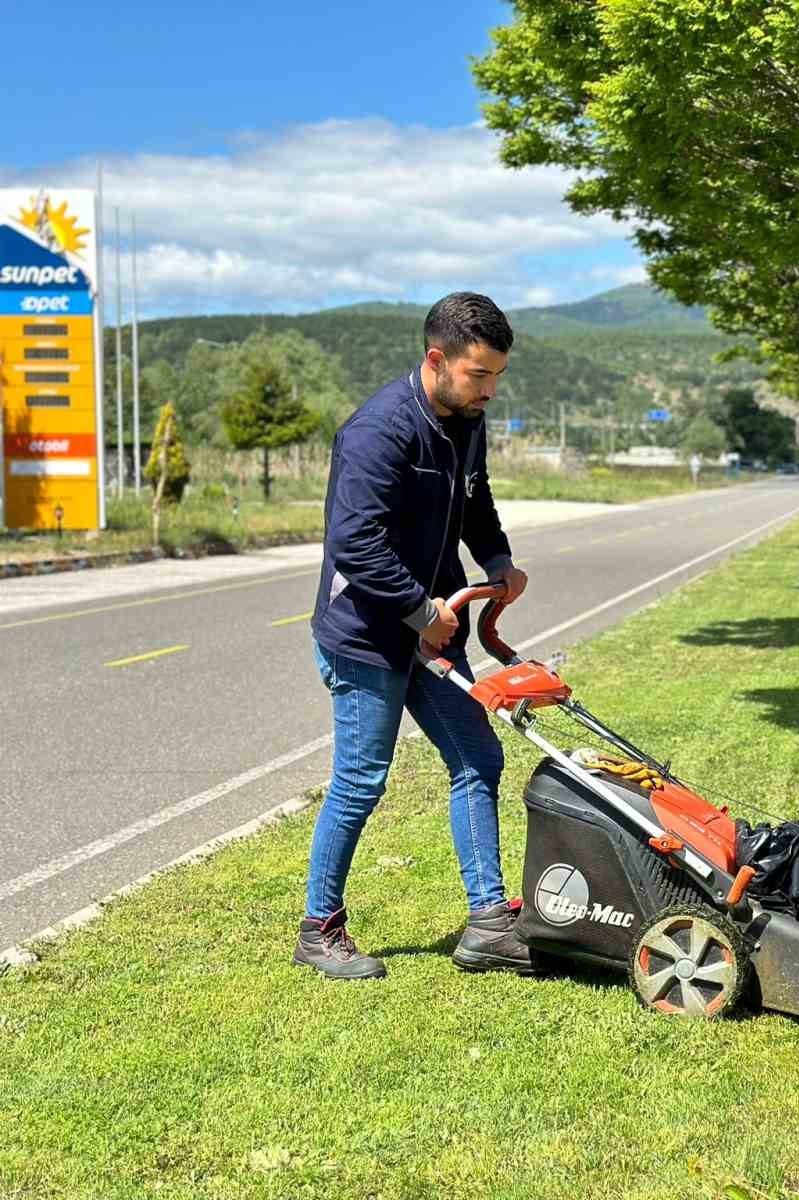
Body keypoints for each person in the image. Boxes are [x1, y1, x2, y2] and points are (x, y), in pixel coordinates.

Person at [296, 292, 532, 980]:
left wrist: (497, 561)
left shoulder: (467, 420)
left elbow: (474, 501)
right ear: (438, 360)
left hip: (436, 628)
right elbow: (355, 544)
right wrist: (420, 612)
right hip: (367, 635)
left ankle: (488, 923)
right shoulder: (379, 431)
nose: (489, 390)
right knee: (362, 781)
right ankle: (318, 929)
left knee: (477, 759)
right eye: (478, 375)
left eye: (496, 377)